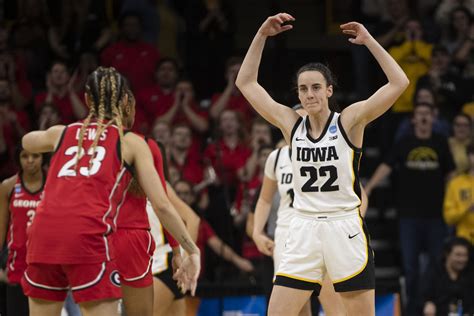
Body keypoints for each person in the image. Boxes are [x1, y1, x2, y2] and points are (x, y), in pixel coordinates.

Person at [236, 13, 409, 315]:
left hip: (343, 225)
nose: (309, 94)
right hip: (302, 227)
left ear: (329, 90)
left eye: (316, 87)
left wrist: (369, 42)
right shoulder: (290, 125)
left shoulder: (350, 121)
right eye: (303, 89)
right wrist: (261, 34)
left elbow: (399, 82)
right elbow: (246, 83)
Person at [20, 67, 200, 316]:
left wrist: (60, 134)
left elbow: (27, 141)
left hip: (43, 234)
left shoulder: (63, 132)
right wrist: (191, 249)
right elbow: (162, 205)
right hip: (88, 234)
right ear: (126, 101)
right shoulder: (131, 141)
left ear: (86, 99)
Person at [252, 139, 369, 316]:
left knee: (332, 302)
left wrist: (349, 229)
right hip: (287, 234)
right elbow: (264, 199)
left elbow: (361, 197)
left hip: (323, 228)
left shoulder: (328, 151)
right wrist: (256, 232)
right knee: (295, 307)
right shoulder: (277, 157)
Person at [365, 102, 455, 314]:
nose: (423, 118)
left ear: (433, 118)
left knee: (436, 264)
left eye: (427, 114)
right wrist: (368, 188)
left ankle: (434, 306)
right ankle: (413, 310)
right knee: (411, 268)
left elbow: (451, 175)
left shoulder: (440, 142)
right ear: (413, 119)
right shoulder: (404, 142)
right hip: (409, 216)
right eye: (420, 114)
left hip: (436, 216)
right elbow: (386, 165)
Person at [0, 147, 45, 316]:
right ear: (18, 158)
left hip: (46, 268)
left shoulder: (54, 186)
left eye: (36, 155)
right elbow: (1, 229)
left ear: (43, 158)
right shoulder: (8, 186)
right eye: (25, 156)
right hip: (17, 267)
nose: (30, 160)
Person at [422, 237, 474, 315]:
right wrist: (428, 303)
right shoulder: (433, 272)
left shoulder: (470, 273)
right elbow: (422, 296)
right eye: (458, 255)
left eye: (465, 255)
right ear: (447, 254)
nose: (462, 259)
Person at [444, 143, 474, 244]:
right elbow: (448, 217)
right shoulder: (456, 183)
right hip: (464, 240)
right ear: (468, 156)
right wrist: (466, 209)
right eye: (473, 154)